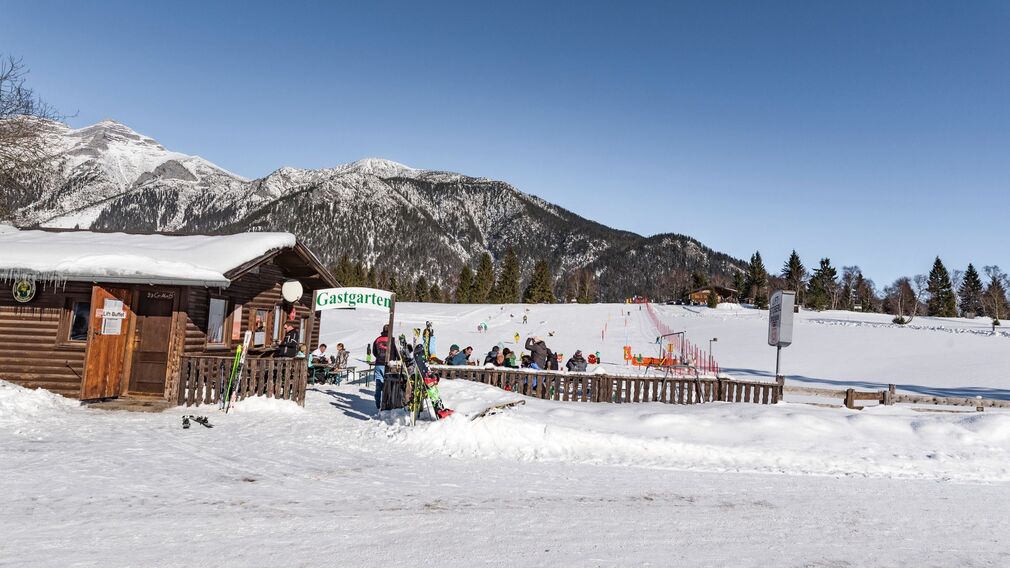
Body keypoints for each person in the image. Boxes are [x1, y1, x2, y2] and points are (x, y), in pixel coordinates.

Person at [372, 325, 398, 411]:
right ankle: (386, 404)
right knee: (388, 385)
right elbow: (395, 352)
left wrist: (379, 358)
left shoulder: (377, 339)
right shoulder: (392, 339)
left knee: (379, 385)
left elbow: (374, 352)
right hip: (388, 365)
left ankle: (378, 404)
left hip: (379, 364)